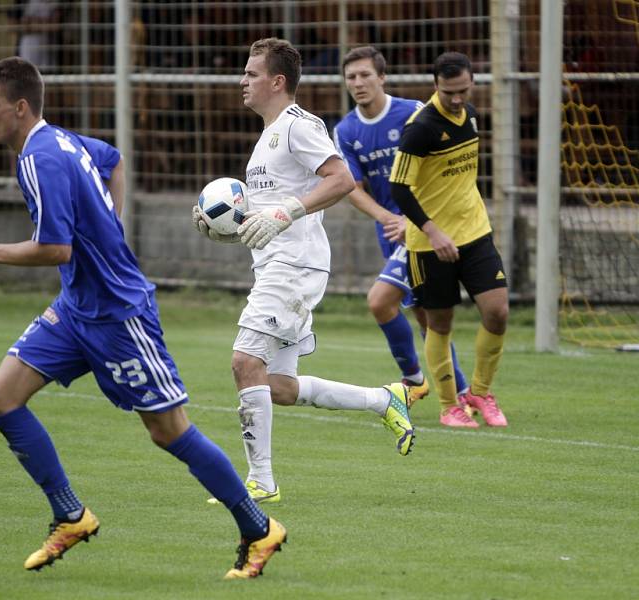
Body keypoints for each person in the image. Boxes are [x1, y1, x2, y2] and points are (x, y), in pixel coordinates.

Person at [0, 56, 285, 580]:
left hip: (118, 315)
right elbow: (114, 160)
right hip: (75, 309)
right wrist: (110, 226)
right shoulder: (61, 140)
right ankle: (70, 515)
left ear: (19, 107)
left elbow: (55, 249)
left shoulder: (42, 159)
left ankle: (259, 528)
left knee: (169, 431)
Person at [192, 38, 415, 505]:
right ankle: (385, 399)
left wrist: (286, 212)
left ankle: (262, 482)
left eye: (251, 74)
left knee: (243, 362)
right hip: (278, 264)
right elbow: (270, 211)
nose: (243, 81)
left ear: (277, 81)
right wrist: (228, 228)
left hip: (293, 267)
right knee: (279, 388)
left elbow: (341, 179)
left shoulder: (298, 126)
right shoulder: (266, 139)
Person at [333, 45, 470, 408]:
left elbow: (443, 170)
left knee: (380, 302)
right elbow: (352, 187)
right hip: (391, 232)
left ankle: (413, 380)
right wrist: (387, 218)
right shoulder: (346, 130)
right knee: (426, 317)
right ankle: (461, 392)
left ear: (382, 77)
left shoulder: (413, 113)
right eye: (351, 77)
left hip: (425, 228)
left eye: (365, 75)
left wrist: (413, 219)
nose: (358, 83)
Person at [389, 51, 509, 428]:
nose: (456, 99)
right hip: (429, 245)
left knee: (498, 311)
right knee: (439, 323)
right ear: (435, 86)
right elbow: (399, 187)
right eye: (448, 92)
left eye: (462, 90)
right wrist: (433, 230)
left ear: (472, 82)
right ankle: (448, 406)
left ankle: (480, 391)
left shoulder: (471, 115)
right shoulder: (420, 127)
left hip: (474, 232)